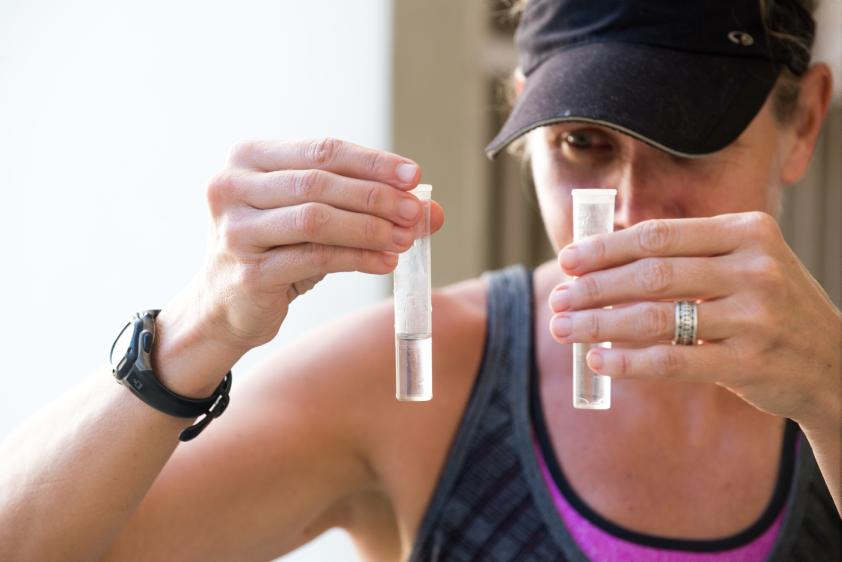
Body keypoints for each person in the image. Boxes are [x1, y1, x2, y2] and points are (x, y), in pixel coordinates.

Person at [1, 0, 840, 560]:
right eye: (583, 144)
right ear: (526, 114)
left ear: (802, 121)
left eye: (689, 139)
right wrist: (199, 325)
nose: (628, 211)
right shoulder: (428, 381)